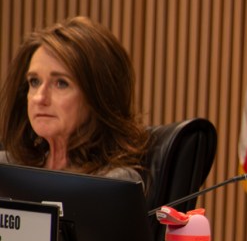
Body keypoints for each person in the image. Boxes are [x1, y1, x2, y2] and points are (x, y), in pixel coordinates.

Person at [0, 16, 147, 182]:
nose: (40, 98)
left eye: (61, 83)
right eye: (34, 81)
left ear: (98, 96)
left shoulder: (114, 181)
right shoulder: (5, 169)